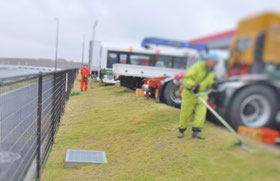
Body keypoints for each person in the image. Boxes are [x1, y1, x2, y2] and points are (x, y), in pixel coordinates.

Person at [177, 53, 219, 139]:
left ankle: (196, 132)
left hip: (202, 94)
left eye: (216, 63)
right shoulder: (197, 67)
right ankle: (182, 130)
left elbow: (208, 82)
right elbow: (188, 78)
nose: (215, 65)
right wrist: (192, 86)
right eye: (214, 62)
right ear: (208, 60)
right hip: (190, 93)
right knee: (186, 113)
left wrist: (212, 85)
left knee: (201, 113)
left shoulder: (211, 71)